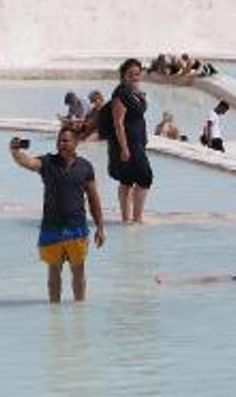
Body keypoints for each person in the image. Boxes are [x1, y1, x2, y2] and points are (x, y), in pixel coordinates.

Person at [10, 127, 106, 302]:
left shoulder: (85, 167)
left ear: (76, 143)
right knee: (53, 273)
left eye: (65, 140)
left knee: (78, 271)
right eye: (59, 140)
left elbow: (93, 198)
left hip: (77, 228)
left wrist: (100, 227)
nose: (61, 144)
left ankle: (79, 312)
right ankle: (54, 315)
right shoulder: (47, 162)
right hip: (51, 228)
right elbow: (28, 162)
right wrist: (15, 151)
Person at [107, 58, 152, 223]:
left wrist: (141, 97)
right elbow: (118, 123)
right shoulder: (120, 94)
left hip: (137, 140)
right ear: (123, 75)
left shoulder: (133, 91)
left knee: (126, 180)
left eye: (137, 74)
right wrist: (124, 148)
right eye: (130, 74)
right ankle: (136, 218)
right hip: (129, 142)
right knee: (145, 177)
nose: (134, 77)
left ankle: (127, 219)